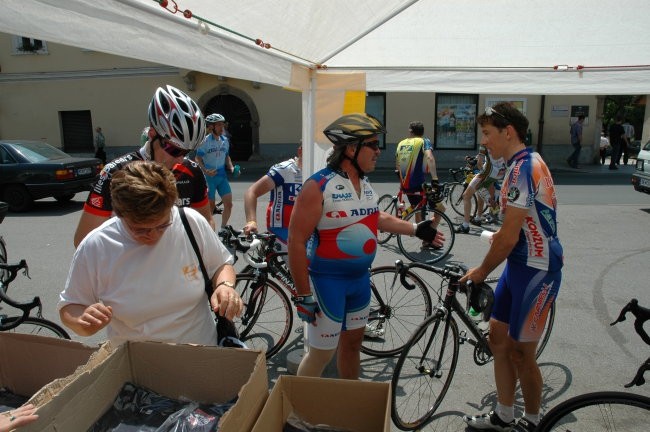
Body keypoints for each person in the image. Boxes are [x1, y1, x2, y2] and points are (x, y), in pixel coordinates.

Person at [287, 113, 445, 380]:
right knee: (321, 355)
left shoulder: (365, 184)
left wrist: (416, 229)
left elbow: (376, 217)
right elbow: (296, 242)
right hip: (328, 283)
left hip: (360, 281)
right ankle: (291, 410)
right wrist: (303, 295)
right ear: (351, 149)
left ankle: (350, 405)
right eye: (372, 144)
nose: (378, 151)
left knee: (352, 347)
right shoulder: (318, 186)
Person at [460, 103, 563, 432]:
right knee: (498, 340)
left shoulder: (524, 168)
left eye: (488, 134)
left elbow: (509, 238)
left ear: (508, 132)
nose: (485, 142)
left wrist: (479, 271)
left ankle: (532, 423)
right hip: (519, 267)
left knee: (521, 353)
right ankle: (504, 415)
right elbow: (512, 231)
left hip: (539, 271)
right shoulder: (517, 164)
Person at [60, 162, 242, 345]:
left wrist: (225, 286)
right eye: (140, 230)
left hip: (202, 353)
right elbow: (70, 305)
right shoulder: (96, 245)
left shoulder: (190, 222)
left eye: (163, 225)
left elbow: (221, 265)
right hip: (137, 364)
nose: (153, 236)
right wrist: (82, 321)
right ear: (119, 215)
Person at [73, 85, 214, 248]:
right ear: (152, 135)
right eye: (175, 149)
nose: (181, 159)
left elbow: (206, 222)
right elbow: (83, 241)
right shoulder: (114, 173)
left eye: (188, 151)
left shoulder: (192, 171)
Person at [243, 145, 302, 251]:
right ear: (300, 151)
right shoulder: (285, 169)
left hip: (307, 228)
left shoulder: (318, 170)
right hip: (282, 228)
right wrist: (251, 221)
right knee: (302, 261)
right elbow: (251, 192)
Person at [395, 121, 444, 248]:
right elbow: (430, 158)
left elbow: (397, 165)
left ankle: (423, 235)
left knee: (417, 209)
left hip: (405, 185)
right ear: (422, 132)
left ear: (410, 131)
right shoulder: (423, 141)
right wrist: (435, 179)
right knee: (441, 208)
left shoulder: (401, 143)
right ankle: (427, 236)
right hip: (418, 183)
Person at [195, 113, 235, 230]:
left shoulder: (225, 140)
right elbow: (198, 158)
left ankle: (223, 229)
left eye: (222, 124)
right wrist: (205, 170)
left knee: (229, 204)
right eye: (218, 125)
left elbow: (227, 156)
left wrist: (231, 167)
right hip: (209, 178)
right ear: (211, 127)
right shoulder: (205, 141)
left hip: (222, 176)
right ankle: (207, 230)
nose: (222, 127)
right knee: (210, 207)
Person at [455, 145, 506, 234]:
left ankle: (465, 225)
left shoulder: (485, 143)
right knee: (480, 192)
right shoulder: (499, 139)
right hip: (499, 172)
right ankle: (478, 218)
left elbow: (479, 163)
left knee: (466, 196)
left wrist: (480, 170)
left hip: (488, 172)